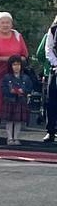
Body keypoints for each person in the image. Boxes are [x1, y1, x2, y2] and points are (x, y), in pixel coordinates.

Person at [0, 12, 28, 144]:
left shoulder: (17, 36)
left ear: (11, 24)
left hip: (15, 75)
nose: (5, 25)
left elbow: (24, 55)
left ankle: (13, 136)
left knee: (14, 103)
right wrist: (7, 59)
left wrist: (15, 62)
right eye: (2, 22)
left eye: (8, 22)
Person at [0, 55, 35, 146]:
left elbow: (30, 87)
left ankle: (16, 137)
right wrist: (9, 91)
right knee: (9, 121)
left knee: (18, 121)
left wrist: (24, 91)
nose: (16, 67)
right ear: (10, 66)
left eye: (18, 64)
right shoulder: (7, 77)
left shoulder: (26, 77)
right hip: (9, 101)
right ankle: (9, 138)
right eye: (14, 65)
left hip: (20, 101)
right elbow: (3, 88)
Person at [44, 15, 57, 144]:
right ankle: (51, 131)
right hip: (55, 69)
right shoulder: (53, 29)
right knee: (52, 101)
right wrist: (56, 63)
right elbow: (48, 49)